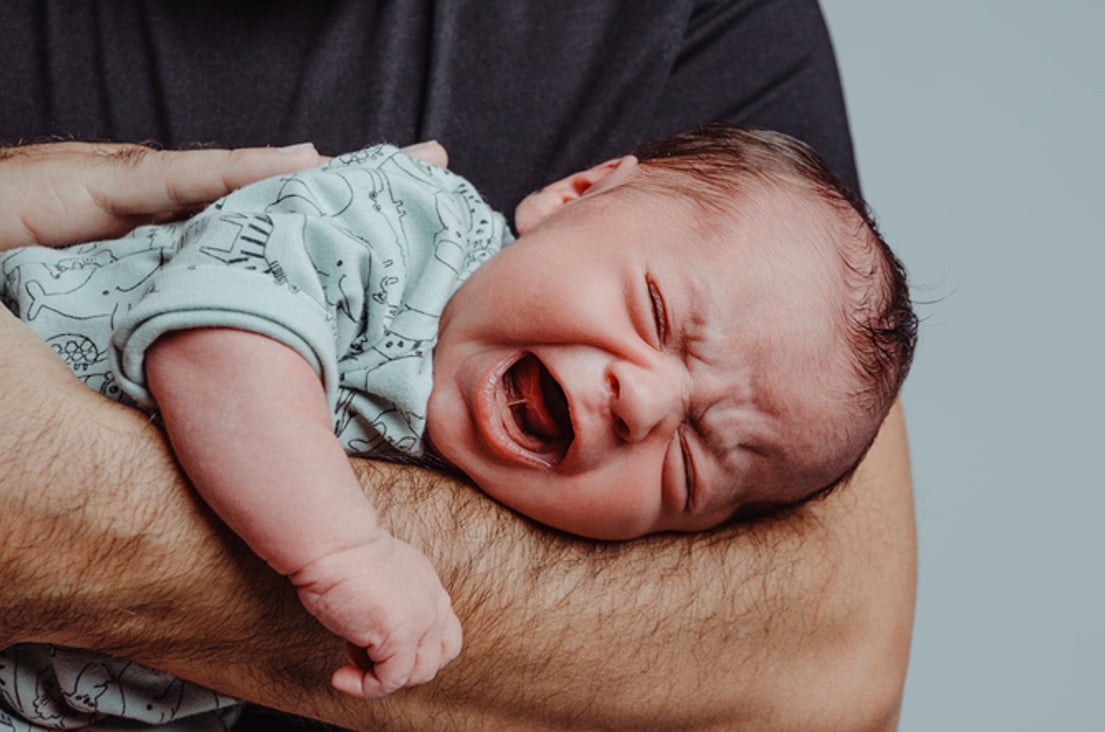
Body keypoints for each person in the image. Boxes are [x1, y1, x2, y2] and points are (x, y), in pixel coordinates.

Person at [0, 2, 917, 730]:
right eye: (656, 314)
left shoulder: (713, 22)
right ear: (574, 196)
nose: (643, 401)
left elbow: (835, 670)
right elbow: (216, 344)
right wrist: (343, 551)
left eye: (688, 462)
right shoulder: (403, 226)